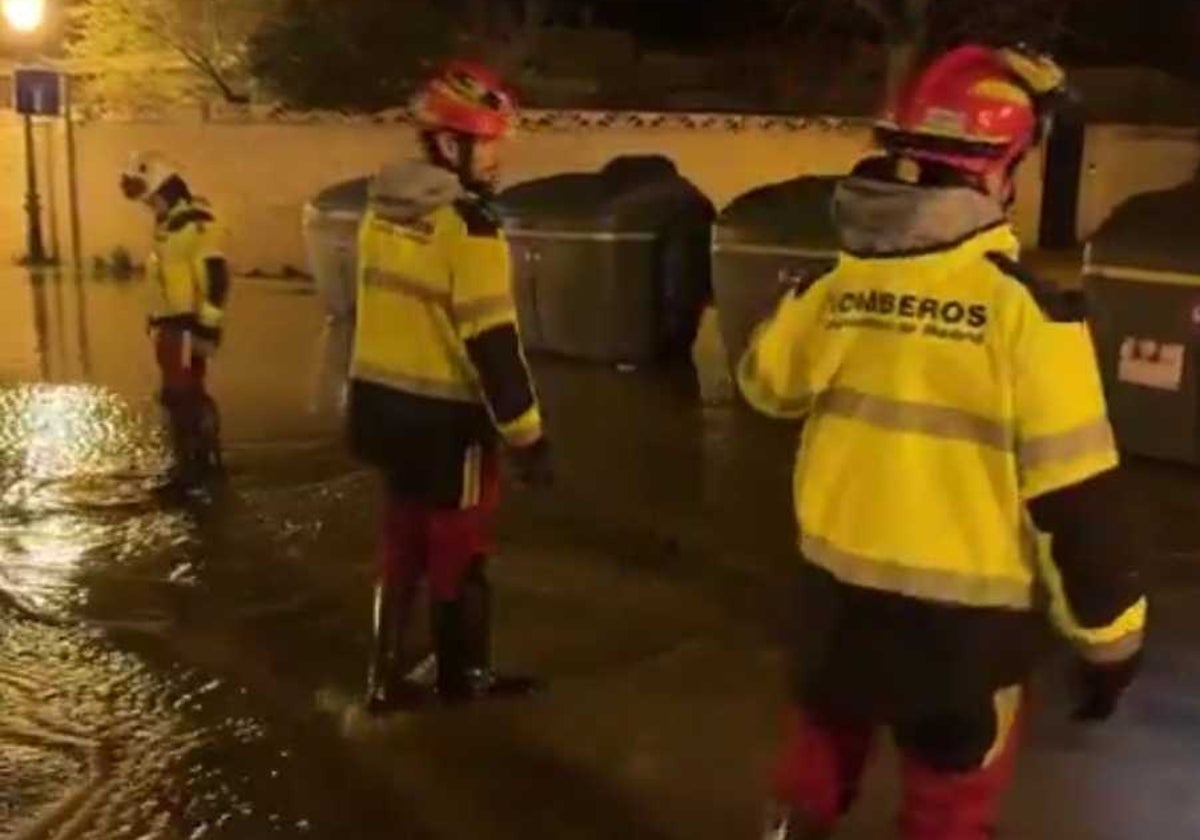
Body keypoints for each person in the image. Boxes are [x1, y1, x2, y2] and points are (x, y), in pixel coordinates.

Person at [739, 45, 1147, 839]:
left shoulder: (838, 285)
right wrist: (1110, 643)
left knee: (811, 780)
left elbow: (762, 384)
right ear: (1002, 170)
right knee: (946, 818)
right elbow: (1077, 503)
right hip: (961, 642)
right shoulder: (1029, 314)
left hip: (833, 611)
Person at [347, 61, 553, 714]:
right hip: (446, 425)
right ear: (446, 143)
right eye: (484, 143)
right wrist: (528, 436)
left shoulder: (380, 212)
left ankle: (384, 679)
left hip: (380, 411)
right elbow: (493, 348)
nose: (493, 160)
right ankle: (463, 682)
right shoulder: (470, 230)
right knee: (459, 553)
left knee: (401, 544)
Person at [121, 152, 229, 487]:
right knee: (179, 392)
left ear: (166, 192)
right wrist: (155, 317)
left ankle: (195, 463)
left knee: (182, 393)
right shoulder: (169, 226)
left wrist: (207, 323)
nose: (149, 207)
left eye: (151, 199)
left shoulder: (194, 225)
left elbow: (215, 275)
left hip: (187, 323)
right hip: (171, 323)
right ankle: (189, 458)